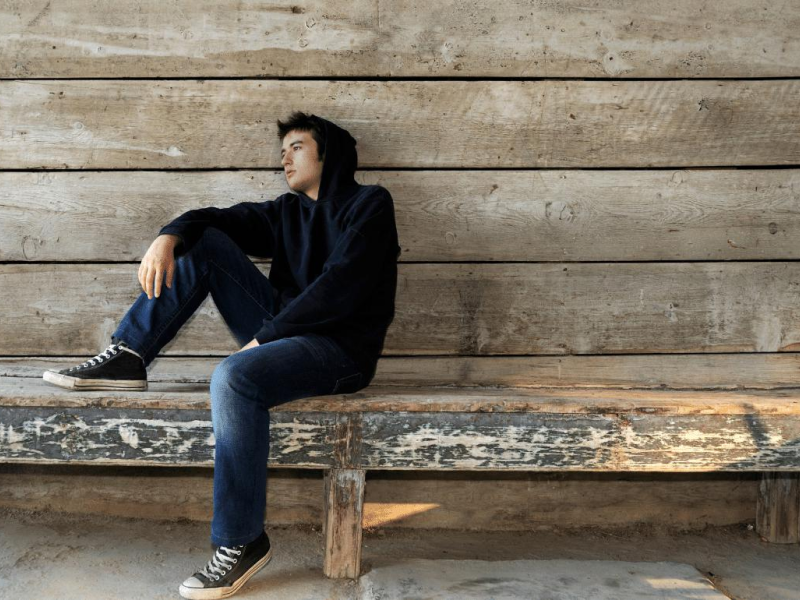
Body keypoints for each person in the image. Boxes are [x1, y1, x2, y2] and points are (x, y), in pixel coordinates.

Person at [41, 112, 401, 599]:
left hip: (340, 349)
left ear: (328, 152)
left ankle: (243, 540)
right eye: (282, 150)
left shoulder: (369, 205)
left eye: (296, 146)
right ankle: (128, 354)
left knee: (233, 379)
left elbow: (342, 288)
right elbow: (215, 220)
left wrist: (266, 336)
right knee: (207, 242)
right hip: (286, 335)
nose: (284, 157)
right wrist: (169, 235)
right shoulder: (285, 213)